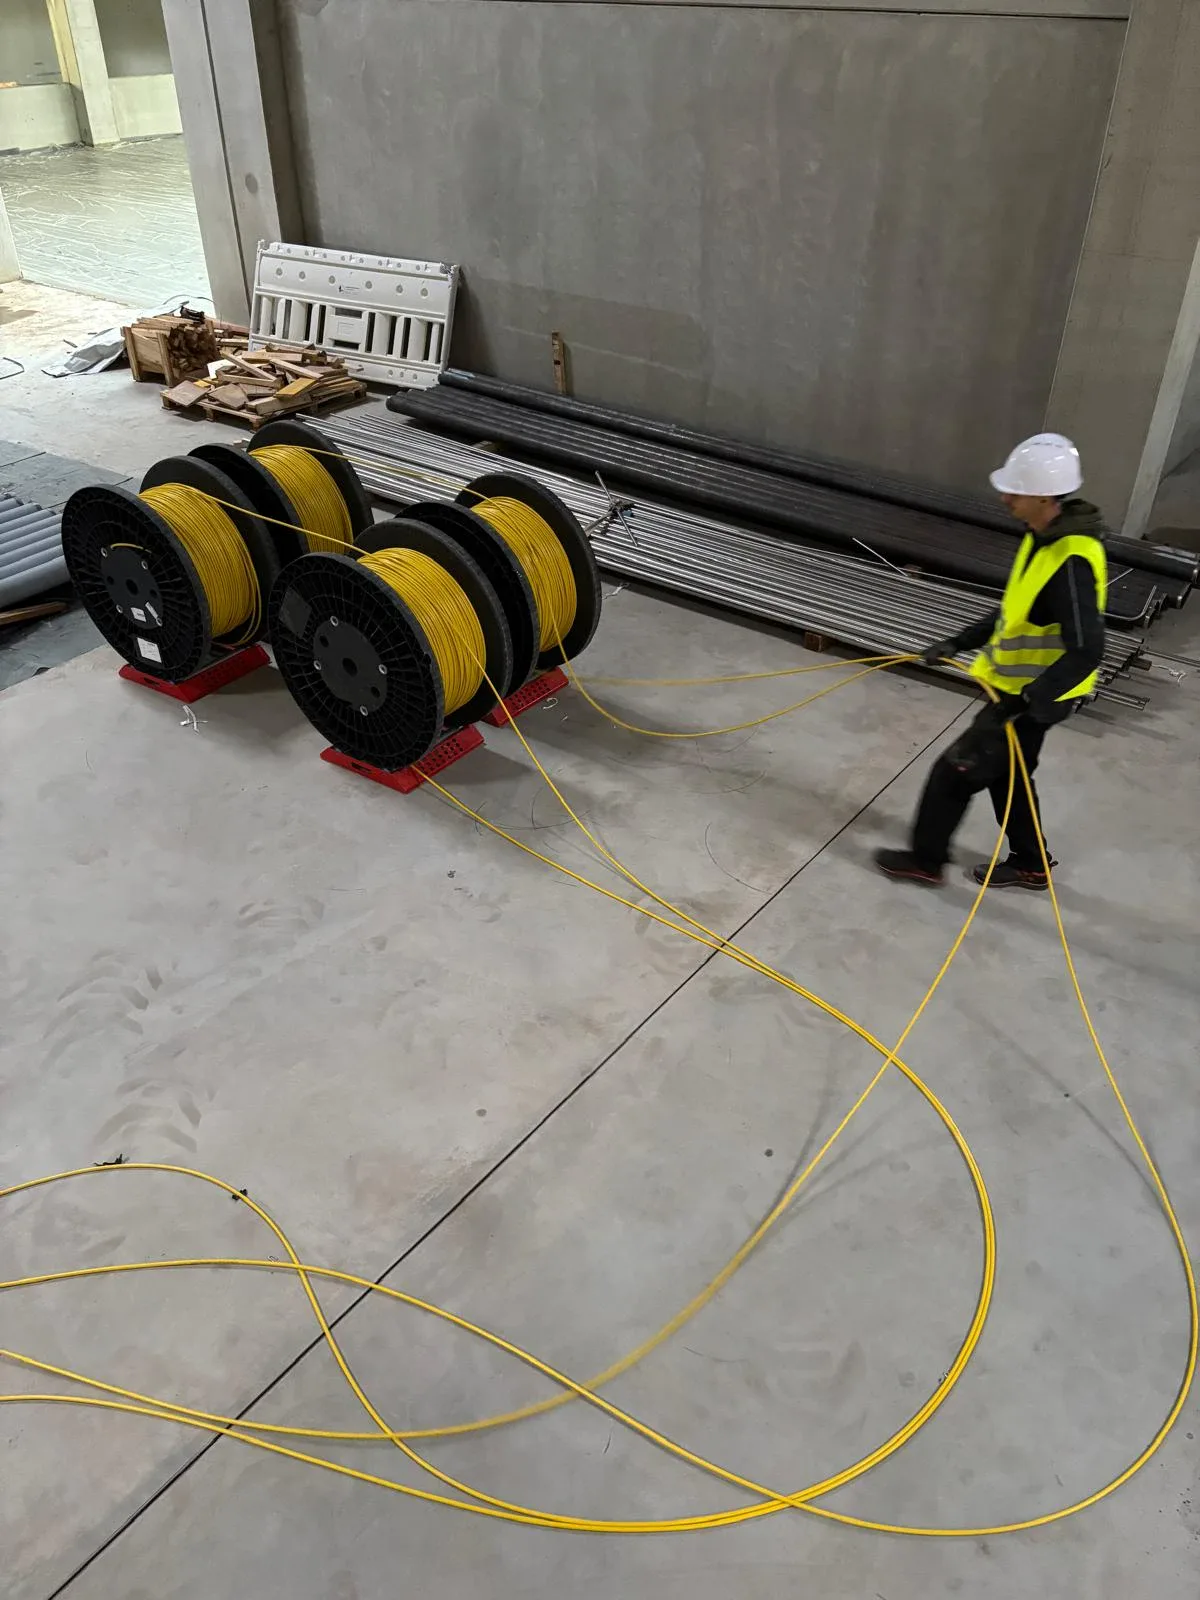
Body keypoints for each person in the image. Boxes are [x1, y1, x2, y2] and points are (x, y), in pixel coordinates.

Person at [874, 433, 1107, 891]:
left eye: (1015, 492)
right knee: (1009, 775)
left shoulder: (1069, 560)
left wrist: (1026, 700)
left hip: (1033, 697)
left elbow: (1087, 648)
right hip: (1020, 692)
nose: (1005, 498)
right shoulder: (1043, 538)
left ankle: (926, 861)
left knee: (956, 770)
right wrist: (957, 642)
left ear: (1044, 497)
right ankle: (1031, 864)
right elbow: (1015, 611)